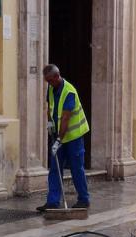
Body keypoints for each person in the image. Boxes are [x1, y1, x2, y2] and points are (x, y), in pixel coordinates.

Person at [36, 64, 90, 212]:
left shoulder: (69, 92)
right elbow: (49, 107)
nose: (49, 83)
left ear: (57, 76)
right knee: (55, 169)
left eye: (50, 80)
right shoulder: (51, 88)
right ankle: (53, 202)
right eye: (46, 81)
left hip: (74, 137)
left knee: (76, 169)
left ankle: (84, 200)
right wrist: (49, 124)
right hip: (58, 136)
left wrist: (58, 140)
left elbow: (65, 119)